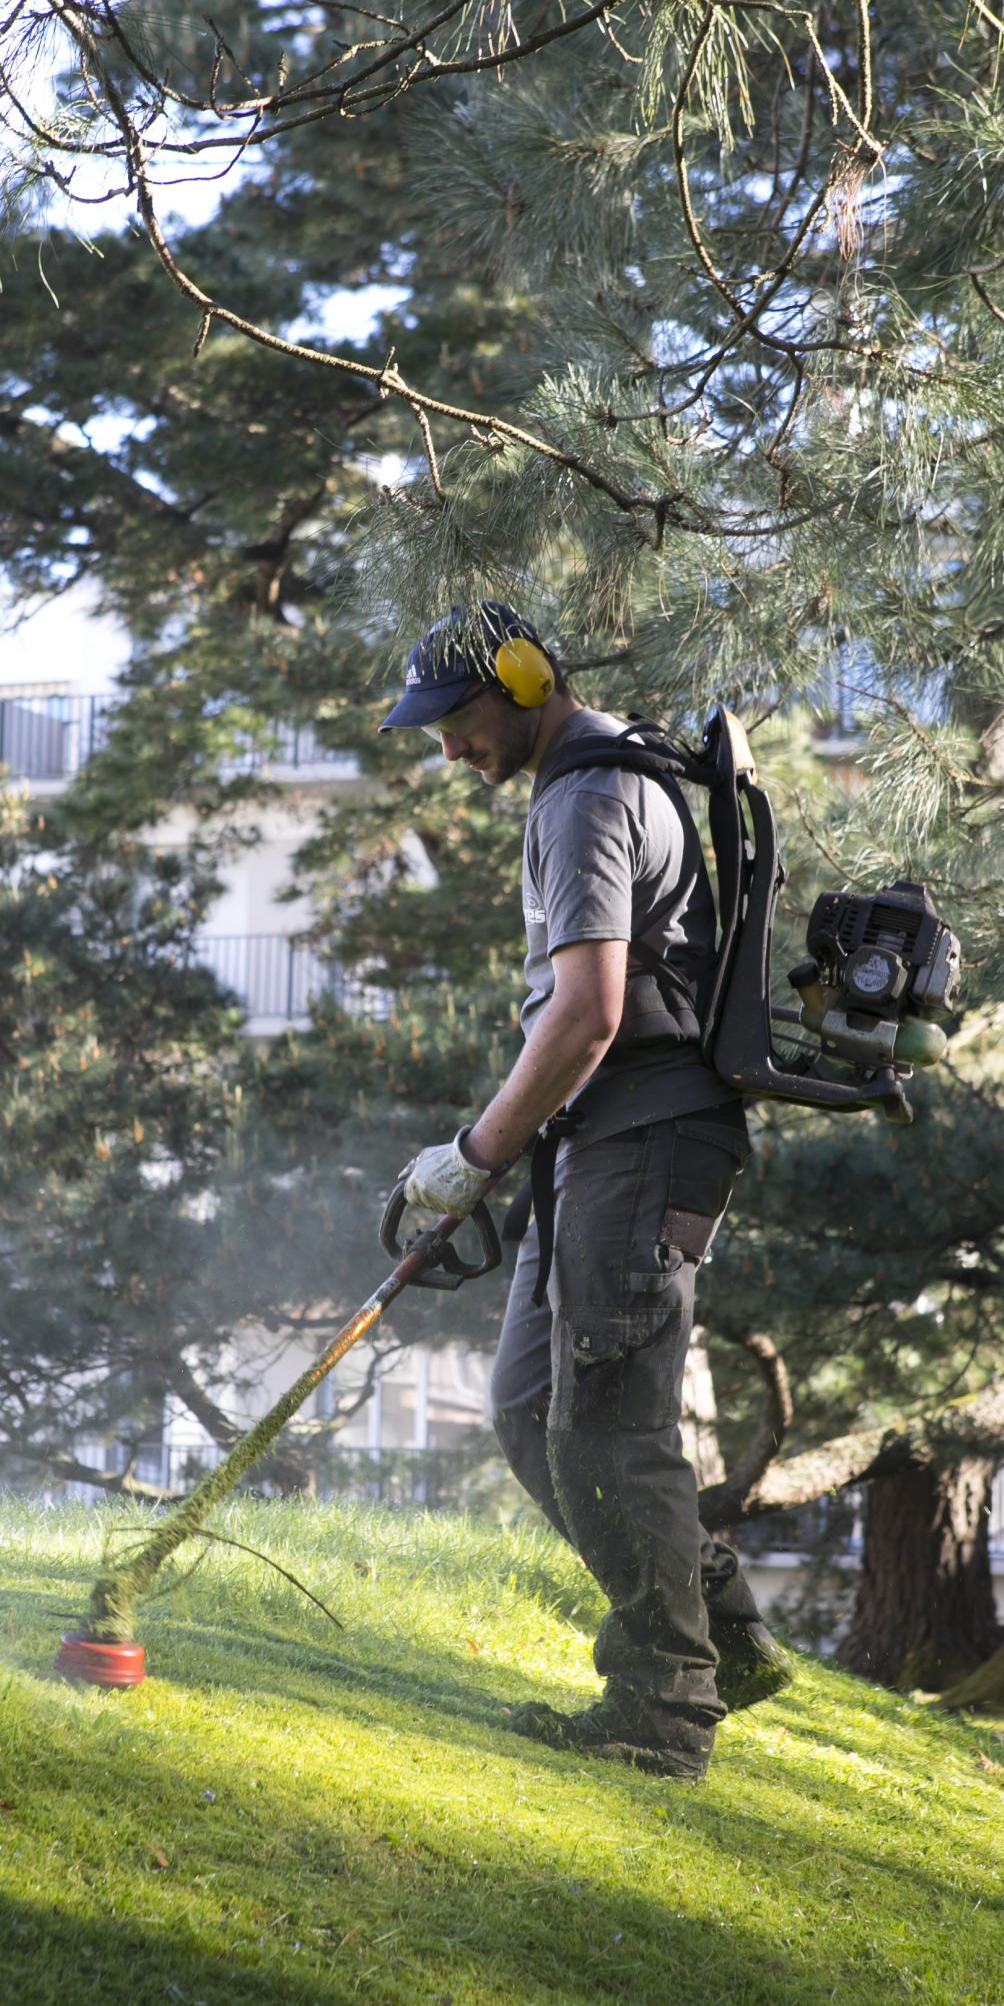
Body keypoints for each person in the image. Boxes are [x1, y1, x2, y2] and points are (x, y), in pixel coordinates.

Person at [381, 601, 791, 1783]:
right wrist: (510, 1145)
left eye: (455, 722)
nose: (447, 750)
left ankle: (662, 1711)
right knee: (526, 1410)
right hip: (596, 1144)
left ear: (520, 681)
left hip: (647, 1138)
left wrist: (474, 1152)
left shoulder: (586, 795)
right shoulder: (587, 781)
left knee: (610, 1427)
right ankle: (722, 1632)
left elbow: (590, 1012)